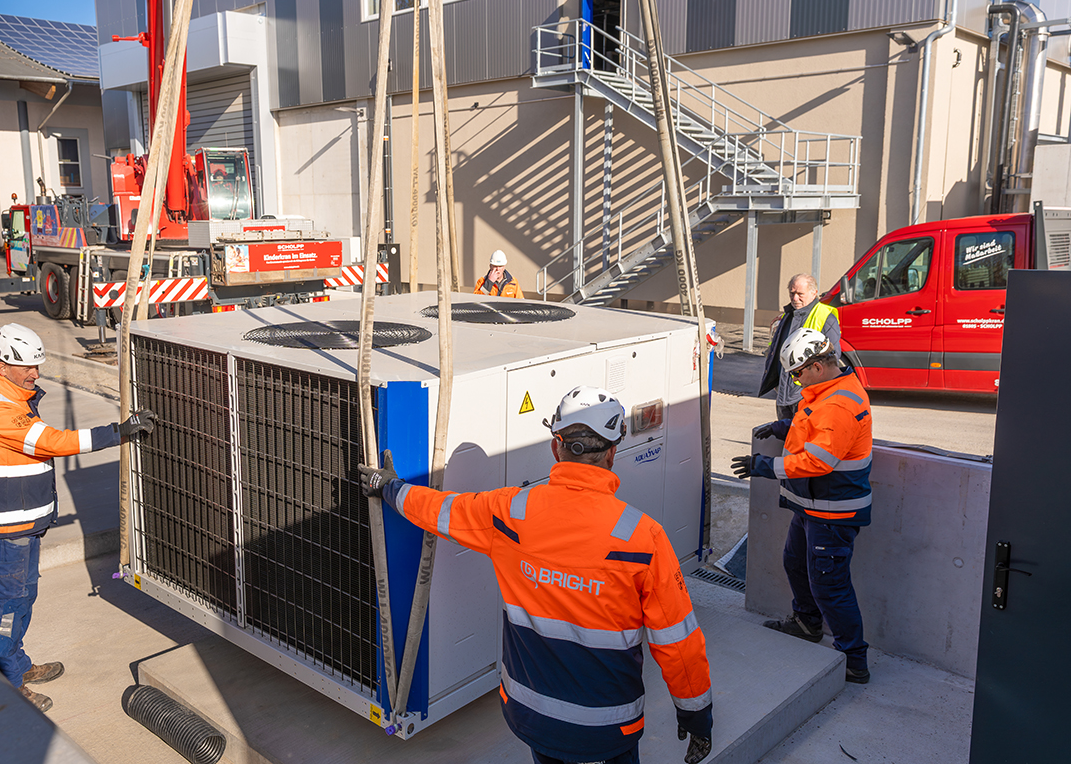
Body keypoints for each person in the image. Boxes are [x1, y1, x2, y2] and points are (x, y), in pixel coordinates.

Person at [359, 386, 713, 764]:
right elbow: (679, 643)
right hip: (606, 729)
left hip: (533, 718)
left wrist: (390, 487)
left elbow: (441, 510)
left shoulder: (511, 511)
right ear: (612, 453)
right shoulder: (643, 537)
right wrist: (696, 716)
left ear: (555, 446)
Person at [0, 323, 155, 712]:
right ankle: (6, 677)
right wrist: (116, 433)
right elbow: (50, 442)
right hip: (7, 530)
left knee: (23, 595)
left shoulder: (14, 398)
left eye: (37, 365)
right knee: (7, 604)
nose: (35, 374)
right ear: (1, 366)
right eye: (27, 368)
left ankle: (16, 663)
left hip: (22, 525)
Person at [731, 327, 873, 684]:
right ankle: (807, 622)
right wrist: (782, 426)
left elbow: (818, 460)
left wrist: (762, 467)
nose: (795, 380)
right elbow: (812, 423)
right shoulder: (827, 391)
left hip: (832, 511)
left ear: (818, 366)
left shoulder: (840, 402)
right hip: (813, 505)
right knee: (795, 562)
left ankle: (853, 659)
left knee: (830, 584)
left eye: (797, 372)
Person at [759, 273, 840, 419]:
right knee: (786, 437)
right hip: (785, 392)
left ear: (814, 293)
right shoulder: (789, 315)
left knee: (803, 437)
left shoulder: (825, 316)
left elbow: (832, 358)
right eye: (792, 293)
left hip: (806, 393)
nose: (795, 298)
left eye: (800, 294)